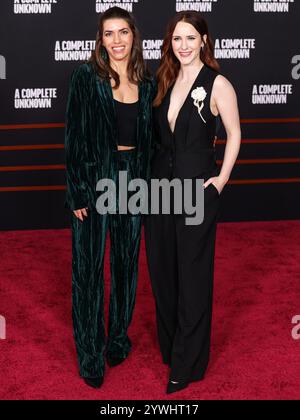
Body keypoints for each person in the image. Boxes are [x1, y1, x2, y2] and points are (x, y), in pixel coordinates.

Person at [144, 11, 241, 394]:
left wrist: (221, 180)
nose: (183, 46)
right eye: (177, 39)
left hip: (197, 190)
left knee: (194, 276)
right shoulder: (163, 80)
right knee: (163, 270)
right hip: (157, 190)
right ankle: (172, 347)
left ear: (204, 40)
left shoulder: (218, 84)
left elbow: (234, 134)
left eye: (190, 38)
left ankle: (187, 363)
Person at [65, 6, 155, 389]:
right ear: (100, 40)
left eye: (123, 33)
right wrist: (78, 191)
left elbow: (152, 143)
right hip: (94, 181)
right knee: (88, 270)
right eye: (108, 34)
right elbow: (74, 138)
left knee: (125, 264)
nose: (116, 41)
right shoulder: (86, 78)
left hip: (133, 181)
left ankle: (118, 335)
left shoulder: (147, 82)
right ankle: (89, 350)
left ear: (134, 36)